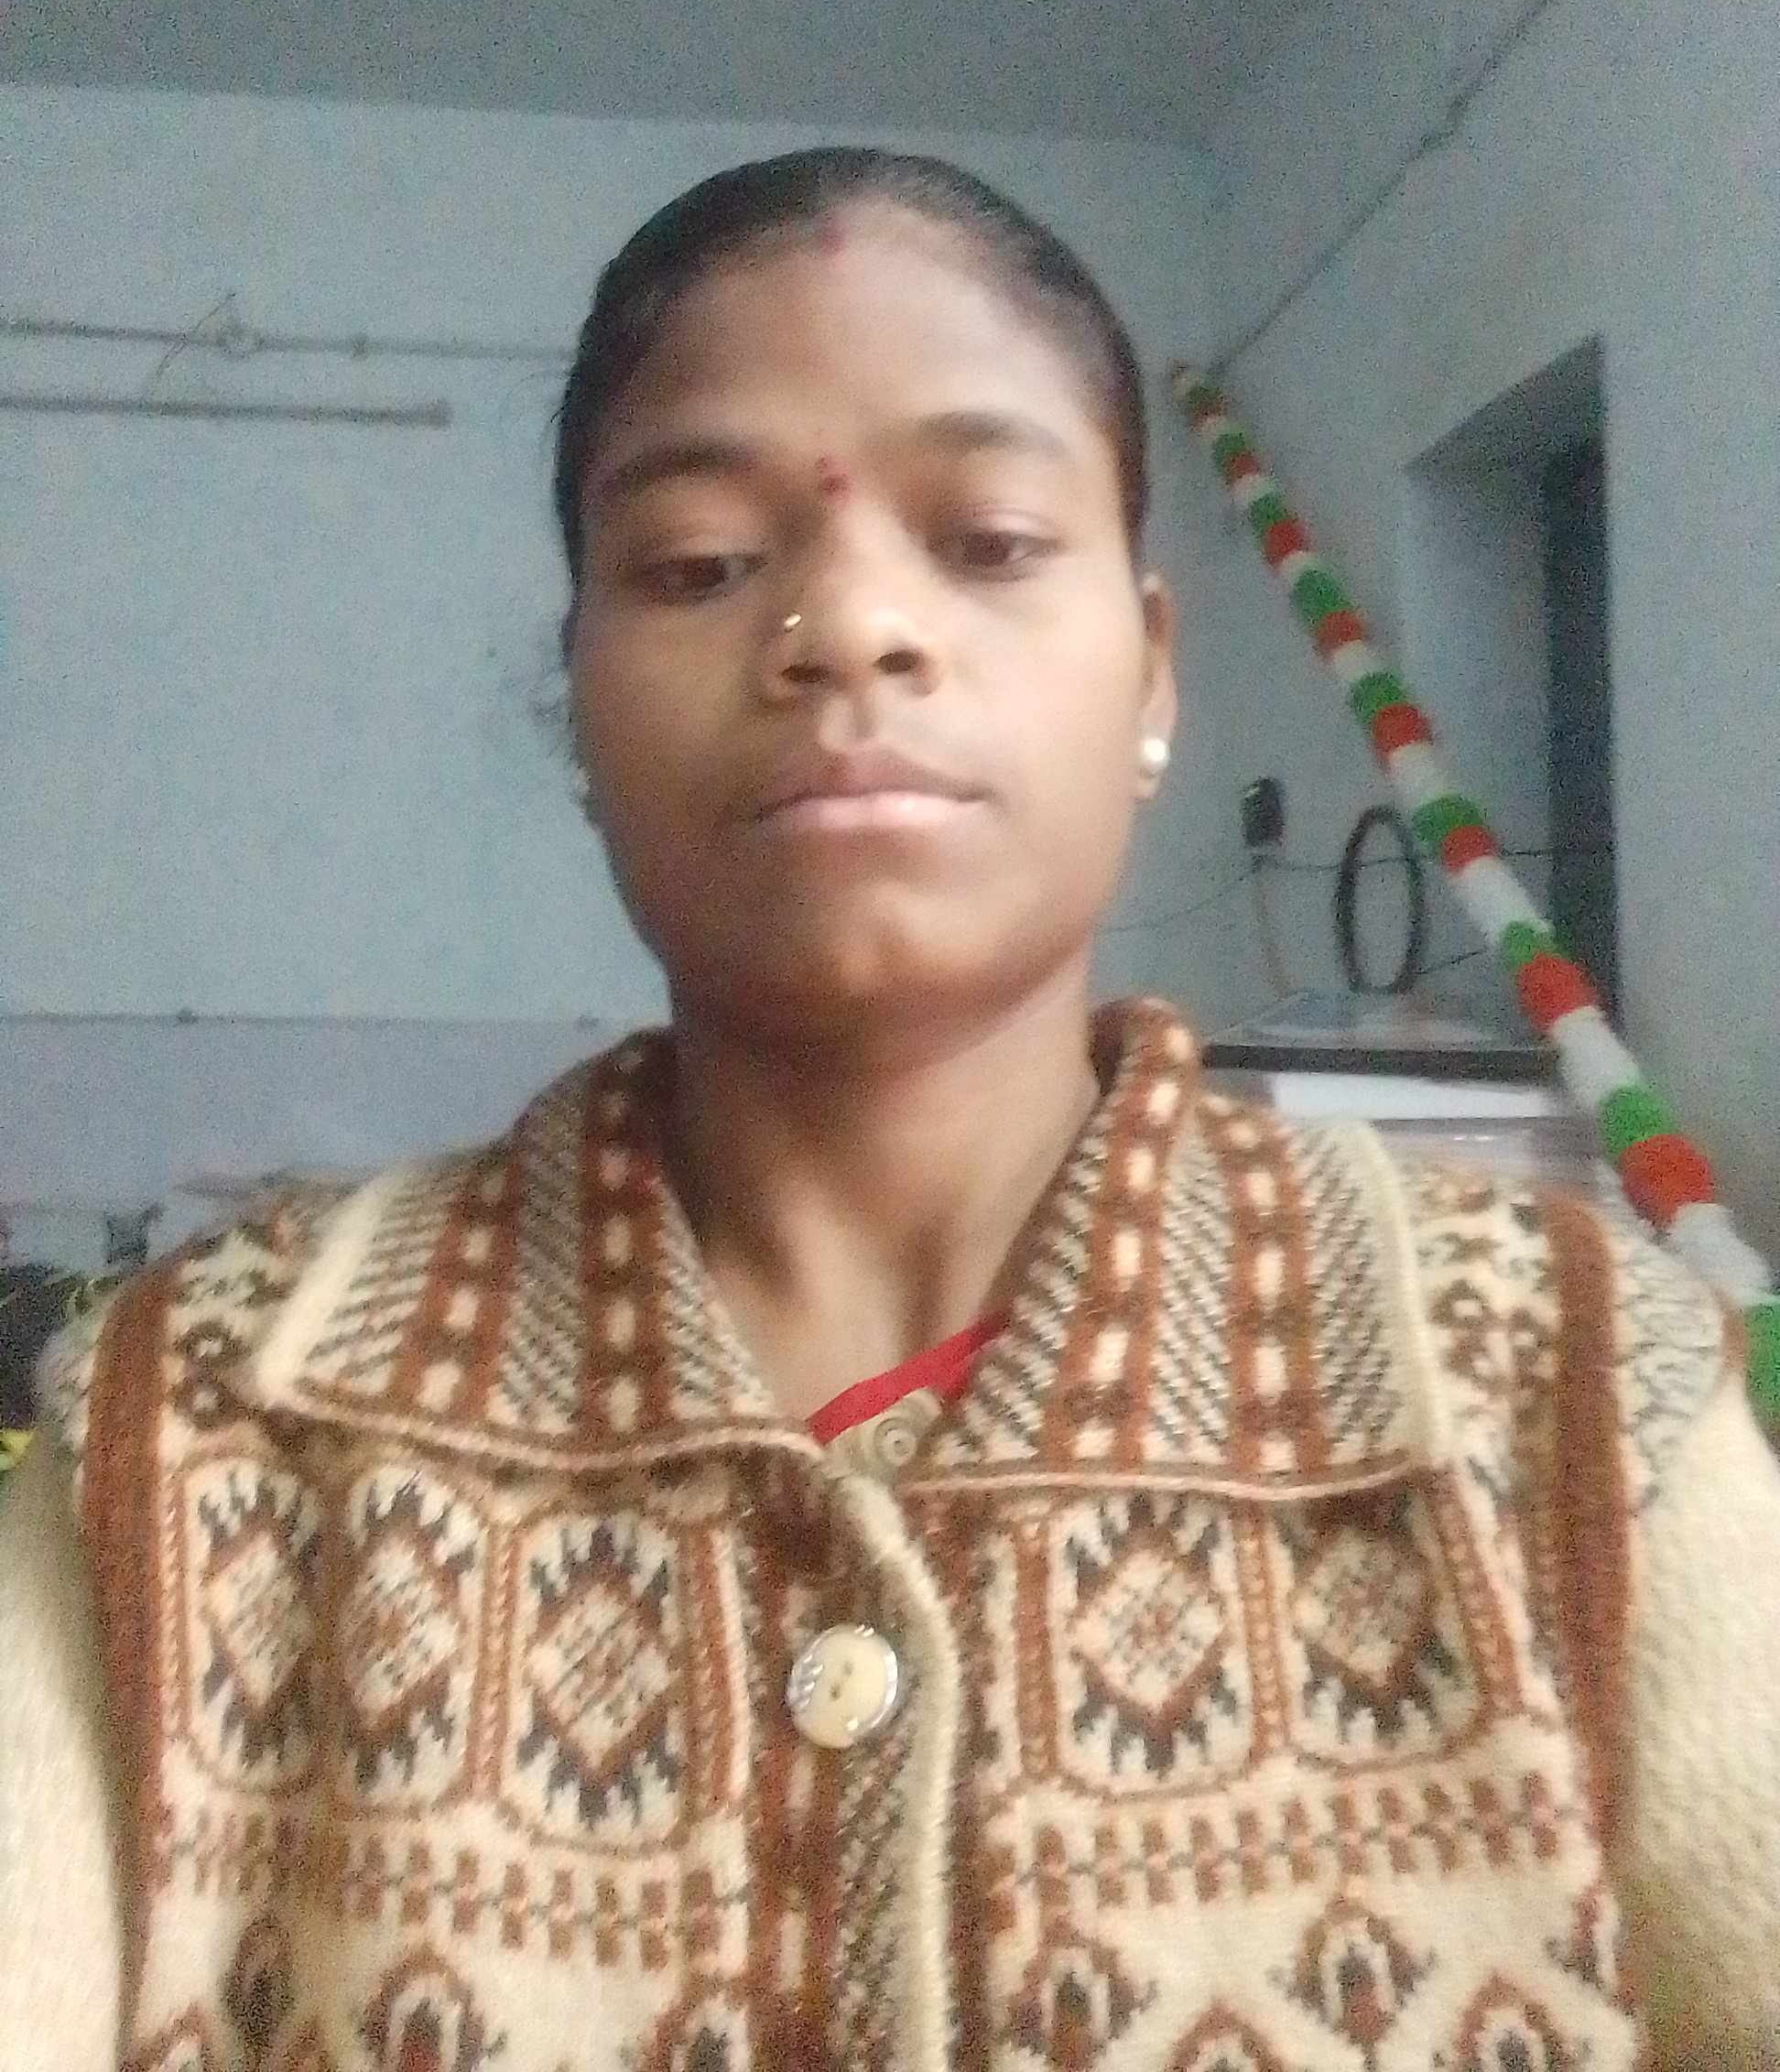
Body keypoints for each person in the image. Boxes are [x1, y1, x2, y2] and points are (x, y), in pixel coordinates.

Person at [1, 148, 1775, 2071]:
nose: (849, 624)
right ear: (579, 698)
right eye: (699, 564)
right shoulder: (202, 1427)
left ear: (1155, 673)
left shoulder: (1556, 1390)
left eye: (990, 540)